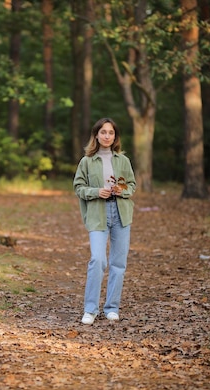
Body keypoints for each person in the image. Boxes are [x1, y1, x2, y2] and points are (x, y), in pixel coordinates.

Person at [73, 117, 136, 325]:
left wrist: (122, 189)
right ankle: (90, 309)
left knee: (118, 263)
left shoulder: (123, 161)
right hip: (98, 213)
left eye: (111, 133)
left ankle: (111, 308)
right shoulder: (87, 161)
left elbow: (132, 185)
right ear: (96, 135)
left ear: (115, 136)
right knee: (98, 260)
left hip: (121, 213)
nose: (107, 136)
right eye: (103, 132)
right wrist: (95, 192)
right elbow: (78, 187)